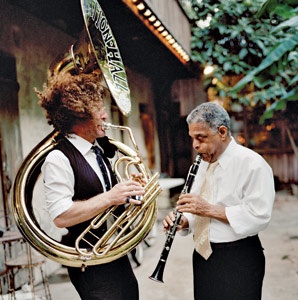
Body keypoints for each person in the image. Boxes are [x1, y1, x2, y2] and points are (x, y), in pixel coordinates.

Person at [36, 70, 144, 300]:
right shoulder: (58, 158)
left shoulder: (97, 151)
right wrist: (111, 197)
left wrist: (128, 193)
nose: (105, 116)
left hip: (115, 252)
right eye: (98, 110)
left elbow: (106, 196)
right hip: (90, 261)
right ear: (78, 115)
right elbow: (61, 216)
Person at [163, 102, 275, 300]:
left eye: (201, 137)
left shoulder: (252, 164)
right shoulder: (203, 161)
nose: (195, 145)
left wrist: (208, 210)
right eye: (192, 138)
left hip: (239, 258)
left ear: (222, 132)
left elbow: (259, 216)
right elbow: (195, 206)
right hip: (203, 256)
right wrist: (184, 220)